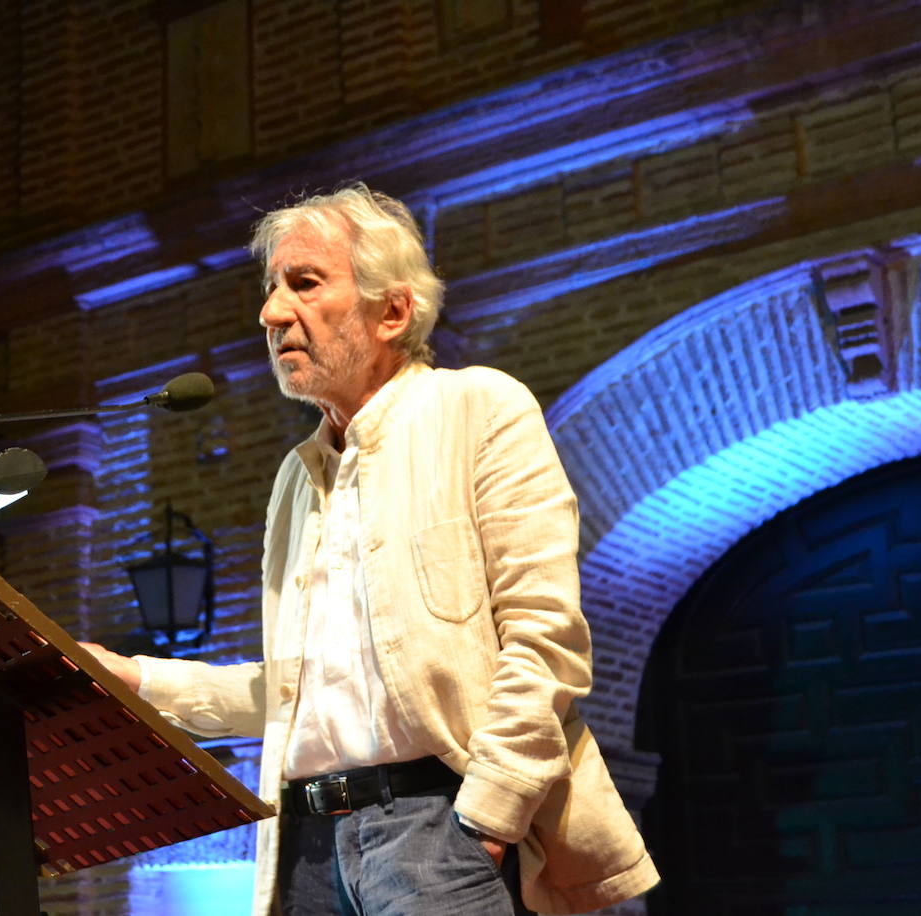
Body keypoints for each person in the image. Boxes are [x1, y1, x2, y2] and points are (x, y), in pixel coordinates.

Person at [85, 184, 658, 915]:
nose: (270, 312)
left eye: (304, 283)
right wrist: (136, 680)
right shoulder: (298, 477)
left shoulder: (478, 409)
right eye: (269, 289)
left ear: (392, 311)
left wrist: (485, 817)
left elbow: (546, 643)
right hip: (304, 848)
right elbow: (299, 694)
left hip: (435, 826)